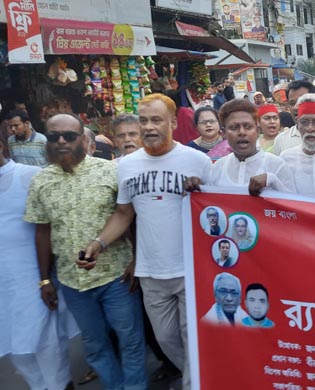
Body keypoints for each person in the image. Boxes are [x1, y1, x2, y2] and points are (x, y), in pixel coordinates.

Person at [85, 93, 213, 390]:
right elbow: (123, 212)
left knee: (192, 337)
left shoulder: (198, 161)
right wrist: (99, 244)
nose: (149, 127)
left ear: (171, 122)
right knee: (166, 339)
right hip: (150, 272)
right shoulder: (127, 165)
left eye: (156, 120)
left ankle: (196, 383)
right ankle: (204, 378)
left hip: (191, 271)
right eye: (143, 120)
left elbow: (219, 213)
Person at [25, 113, 147, 390]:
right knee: (94, 346)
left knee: (130, 340)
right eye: (54, 136)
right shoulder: (40, 181)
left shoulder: (110, 171)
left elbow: (129, 216)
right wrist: (45, 279)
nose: (61, 141)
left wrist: (137, 260)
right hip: (72, 282)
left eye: (69, 136)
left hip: (117, 275)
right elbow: (42, 231)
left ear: (82, 138)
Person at [0, 137, 78, 390]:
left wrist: (47, 276)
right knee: (12, 344)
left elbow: (56, 221)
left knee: (44, 336)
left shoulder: (29, 175)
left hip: (32, 273)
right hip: (3, 280)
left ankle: (60, 385)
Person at [187, 99, 295, 195]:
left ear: (257, 131)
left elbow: (295, 209)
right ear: (224, 133)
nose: (242, 132)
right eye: (234, 127)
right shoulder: (217, 169)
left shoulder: (277, 166)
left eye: (248, 127)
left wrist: (273, 181)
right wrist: (195, 189)